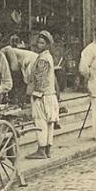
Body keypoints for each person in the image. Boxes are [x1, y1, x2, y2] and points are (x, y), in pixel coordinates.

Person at [25, 31, 60, 160]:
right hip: (50, 94)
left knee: (41, 122)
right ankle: (48, 148)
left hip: (42, 96)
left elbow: (40, 78)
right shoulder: (47, 57)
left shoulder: (42, 59)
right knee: (49, 123)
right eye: (38, 42)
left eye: (42, 43)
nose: (39, 45)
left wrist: (35, 93)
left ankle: (41, 149)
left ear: (47, 45)